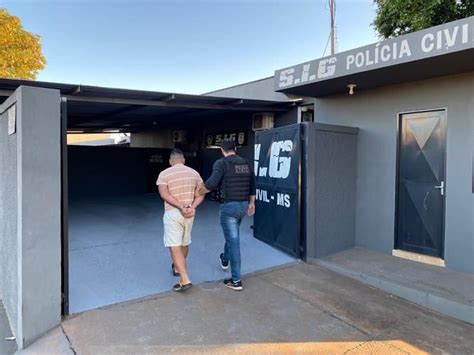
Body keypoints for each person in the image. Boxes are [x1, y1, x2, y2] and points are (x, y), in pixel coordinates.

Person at [198, 139, 256, 291]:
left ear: (222, 150)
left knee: (234, 241)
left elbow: (211, 184)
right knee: (232, 235)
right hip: (243, 205)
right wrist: (252, 203)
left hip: (229, 207)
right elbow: (252, 185)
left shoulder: (221, 163)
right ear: (235, 148)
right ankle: (225, 259)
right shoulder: (247, 163)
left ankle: (236, 280)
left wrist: (196, 193)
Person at [157, 149, 205, 292]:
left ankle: (185, 279)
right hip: (190, 213)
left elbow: (163, 194)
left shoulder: (164, 174)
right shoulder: (194, 173)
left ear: (171, 161)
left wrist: (180, 206)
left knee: (174, 245)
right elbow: (201, 192)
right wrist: (192, 206)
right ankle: (177, 267)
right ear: (183, 160)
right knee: (184, 242)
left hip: (173, 212)